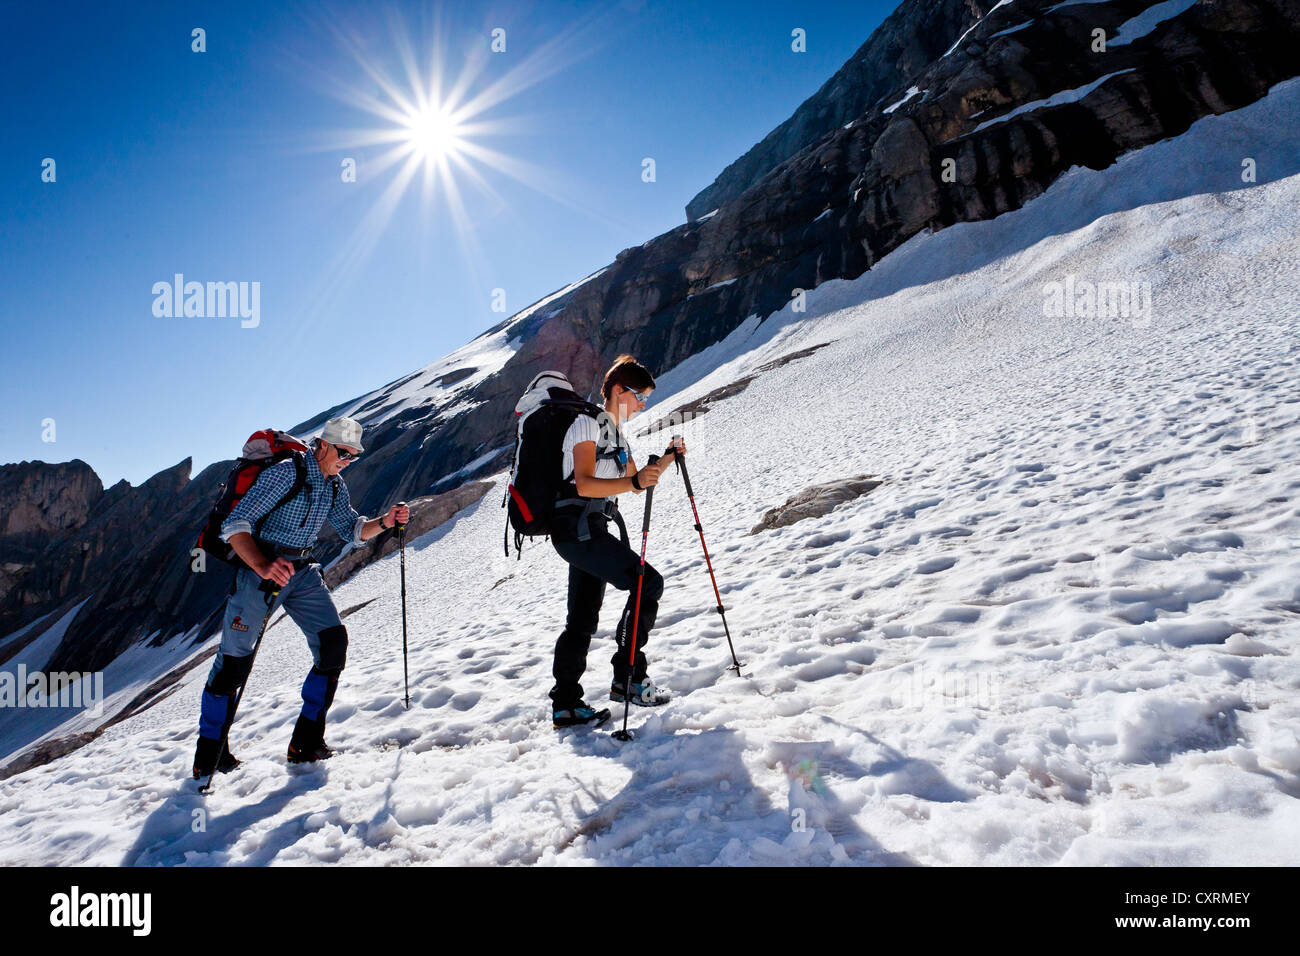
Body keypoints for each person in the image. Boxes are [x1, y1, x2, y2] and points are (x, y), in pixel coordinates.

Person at [191, 416, 410, 777]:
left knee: (333, 644)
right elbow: (235, 525)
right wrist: (262, 565)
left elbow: (352, 530)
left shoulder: (334, 486)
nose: (346, 461)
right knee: (232, 665)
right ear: (323, 445)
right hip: (259, 572)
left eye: (353, 456)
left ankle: (305, 744)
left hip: (303, 570)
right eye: (343, 452)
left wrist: (386, 521)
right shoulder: (285, 473)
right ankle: (209, 758)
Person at [549, 355, 686, 727]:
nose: (643, 404)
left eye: (645, 398)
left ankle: (566, 705)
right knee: (646, 582)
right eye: (638, 396)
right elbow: (584, 482)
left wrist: (669, 459)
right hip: (576, 530)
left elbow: (637, 481)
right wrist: (635, 481)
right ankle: (628, 677)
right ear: (615, 390)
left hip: (590, 531)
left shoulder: (616, 434)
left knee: (581, 620)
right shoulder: (586, 425)